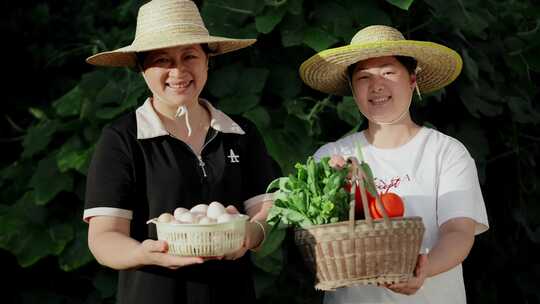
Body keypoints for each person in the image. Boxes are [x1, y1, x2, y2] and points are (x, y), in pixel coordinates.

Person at [82, 1, 279, 303]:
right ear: (141, 68)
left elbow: (266, 211)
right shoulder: (122, 138)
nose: (178, 71)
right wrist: (142, 253)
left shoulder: (241, 133)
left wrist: (249, 235)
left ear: (207, 60)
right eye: (163, 59)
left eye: (190, 56)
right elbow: (103, 238)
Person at [299, 25, 489, 303]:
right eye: (363, 77)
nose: (376, 85)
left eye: (389, 72)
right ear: (353, 88)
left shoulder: (446, 152)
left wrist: (424, 269)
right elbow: (319, 239)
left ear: (412, 79)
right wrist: (337, 189)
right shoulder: (331, 157)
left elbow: (458, 231)